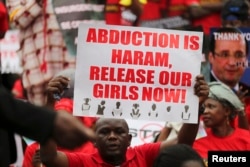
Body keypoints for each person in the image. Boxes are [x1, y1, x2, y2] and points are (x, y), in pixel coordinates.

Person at [39, 75, 209, 167]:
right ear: (94, 141)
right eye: (104, 132)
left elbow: (183, 143)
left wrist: (195, 107)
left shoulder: (143, 155)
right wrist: (49, 103)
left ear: (129, 139)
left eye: (119, 132)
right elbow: (49, 157)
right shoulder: (83, 162)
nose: (112, 136)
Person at [180, 82, 250, 161]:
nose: (205, 111)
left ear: (227, 111)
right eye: (203, 108)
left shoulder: (246, 139)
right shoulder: (198, 145)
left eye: (211, 106)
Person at [205, 27, 250, 129]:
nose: (232, 63)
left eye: (239, 55)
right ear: (211, 57)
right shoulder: (200, 92)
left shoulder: (247, 92)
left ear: (246, 59)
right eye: (225, 54)